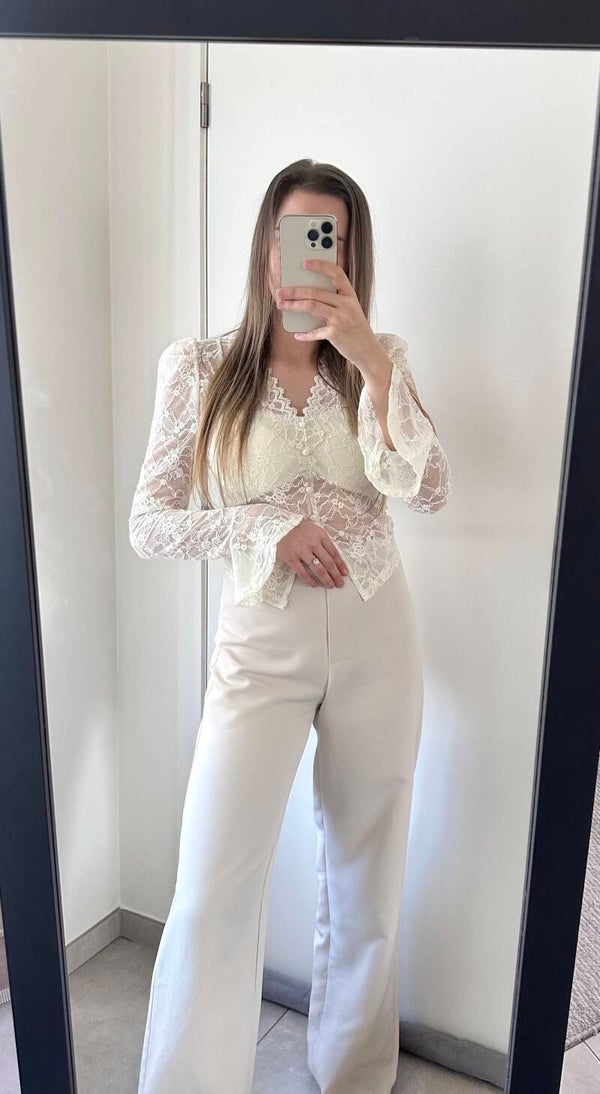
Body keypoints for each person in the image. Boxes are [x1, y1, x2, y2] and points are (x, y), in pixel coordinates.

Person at [129, 157, 452, 1094]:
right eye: (293, 236)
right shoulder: (201, 368)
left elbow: (430, 490)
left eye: (329, 242)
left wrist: (375, 363)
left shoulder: (381, 360)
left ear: (350, 257)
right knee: (213, 881)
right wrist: (266, 525)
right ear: (265, 245)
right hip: (259, 643)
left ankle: (353, 1073)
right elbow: (151, 524)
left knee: (367, 869)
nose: (307, 259)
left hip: (378, 630)